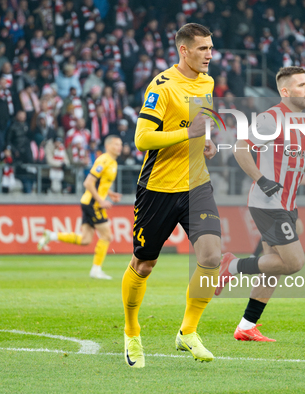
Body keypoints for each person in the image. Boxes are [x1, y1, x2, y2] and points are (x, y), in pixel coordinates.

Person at [122, 23, 220, 368]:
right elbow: (142, 139)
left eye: (210, 48)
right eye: (203, 49)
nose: (209, 54)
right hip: (158, 189)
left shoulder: (206, 81)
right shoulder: (161, 87)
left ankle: (188, 331)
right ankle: (132, 332)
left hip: (196, 185)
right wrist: (185, 135)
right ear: (184, 50)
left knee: (211, 257)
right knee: (144, 265)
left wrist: (204, 140)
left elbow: (200, 121)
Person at [216, 66, 305, 341]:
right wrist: (260, 179)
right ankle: (231, 265)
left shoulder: (303, 123)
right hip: (268, 203)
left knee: (274, 267)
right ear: (285, 91)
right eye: (301, 85)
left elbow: (299, 165)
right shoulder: (271, 119)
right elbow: (240, 148)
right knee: (294, 262)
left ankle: (246, 326)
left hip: (287, 204)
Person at [37, 135, 123, 280]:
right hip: (93, 203)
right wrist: (101, 201)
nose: (119, 147)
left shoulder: (113, 163)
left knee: (85, 240)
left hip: (90, 202)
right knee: (107, 236)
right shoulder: (103, 160)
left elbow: (100, 183)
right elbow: (88, 182)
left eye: (120, 144)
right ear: (108, 146)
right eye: (116, 144)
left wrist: (110, 193)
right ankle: (96, 270)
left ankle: (51, 235)